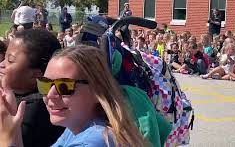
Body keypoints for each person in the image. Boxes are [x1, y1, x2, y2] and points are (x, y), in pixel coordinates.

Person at [0, 45, 150, 146]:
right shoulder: (79, 128)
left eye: (64, 86)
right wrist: (12, 129)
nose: (50, 95)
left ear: (98, 91)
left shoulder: (90, 142)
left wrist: (5, 136)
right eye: (45, 83)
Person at [0, 29, 64, 147]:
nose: (2, 64)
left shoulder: (34, 109)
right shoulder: (15, 94)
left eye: (10, 60)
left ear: (36, 75)